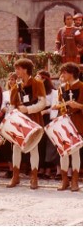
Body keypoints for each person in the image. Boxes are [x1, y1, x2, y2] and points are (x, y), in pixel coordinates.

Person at [7, 58, 46, 190]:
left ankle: (34, 177)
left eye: (18, 68)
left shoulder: (37, 83)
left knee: (33, 148)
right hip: (19, 122)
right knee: (16, 148)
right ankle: (15, 176)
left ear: (25, 69)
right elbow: (12, 106)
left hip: (33, 120)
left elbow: (42, 103)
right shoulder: (15, 87)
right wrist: (11, 120)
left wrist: (28, 109)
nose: (16, 71)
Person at [53, 62, 83, 191]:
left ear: (71, 73)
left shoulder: (82, 86)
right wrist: (58, 106)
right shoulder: (61, 88)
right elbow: (58, 104)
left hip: (77, 122)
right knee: (63, 152)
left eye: (64, 72)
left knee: (75, 152)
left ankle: (75, 180)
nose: (62, 75)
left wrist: (79, 106)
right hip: (64, 122)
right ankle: (65, 180)